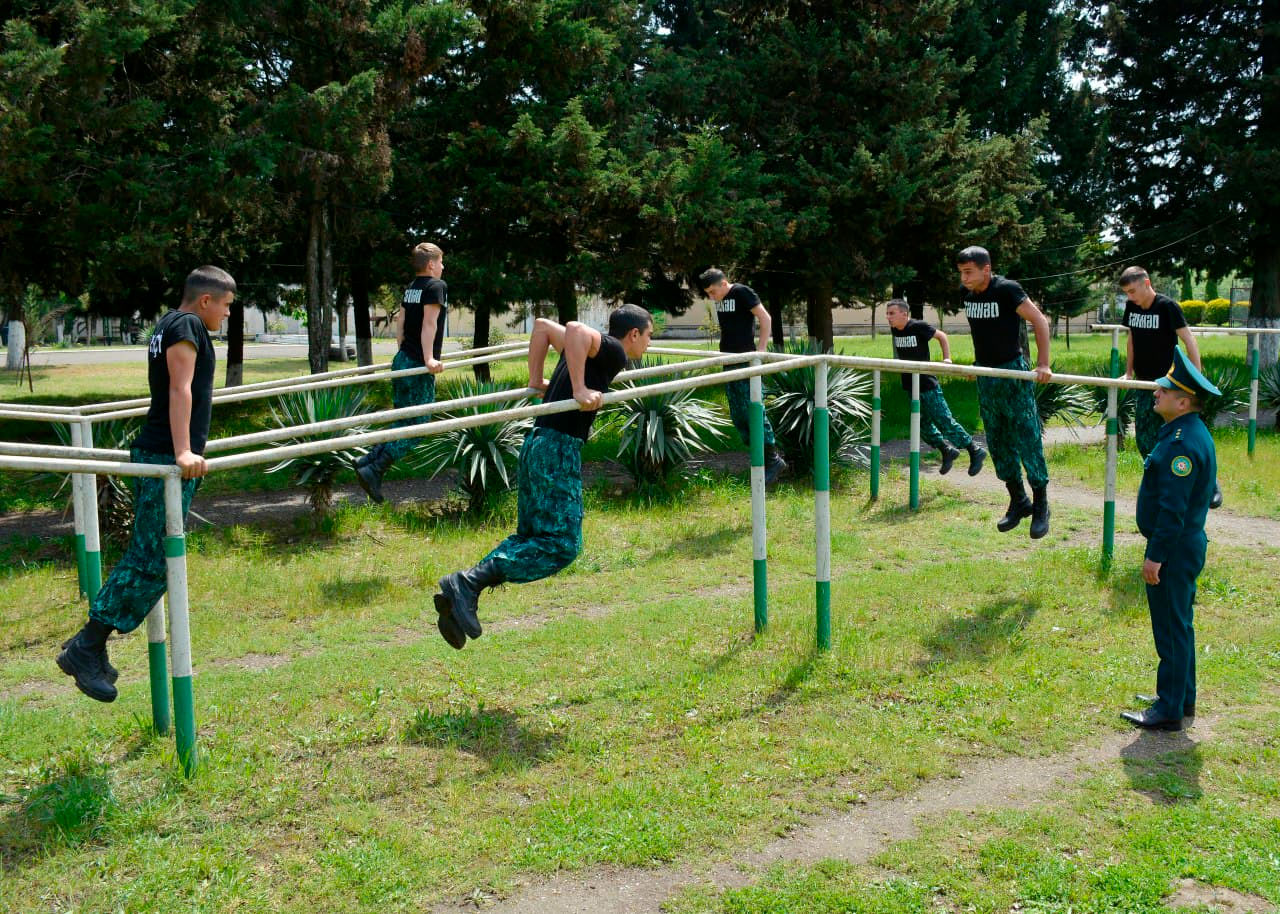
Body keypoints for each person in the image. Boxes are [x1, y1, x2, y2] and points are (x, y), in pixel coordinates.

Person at [57, 266, 235, 702]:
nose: (228, 315)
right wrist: (182, 452)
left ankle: (88, 645)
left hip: (160, 450)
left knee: (153, 557)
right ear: (206, 300)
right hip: (163, 453)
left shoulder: (168, 324)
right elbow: (180, 389)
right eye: (227, 306)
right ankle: (87, 644)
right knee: (152, 560)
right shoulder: (188, 325)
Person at [432, 305, 654, 648]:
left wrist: (537, 380)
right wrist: (579, 389)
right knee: (563, 545)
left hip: (536, 443)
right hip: (557, 450)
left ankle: (464, 592)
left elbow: (542, 327)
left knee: (532, 536)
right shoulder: (614, 351)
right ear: (634, 334)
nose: (649, 345)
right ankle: (468, 583)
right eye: (649, 335)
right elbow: (576, 328)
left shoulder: (595, 352)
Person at [1122, 347, 1219, 731]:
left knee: (1171, 627)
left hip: (1174, 549)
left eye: (1164, 390)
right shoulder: (1189, 432)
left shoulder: (1181, 443)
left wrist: (1155, 556)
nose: (1155, 393)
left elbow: (1173, 510)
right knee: (1180, 624)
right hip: (1183, 545)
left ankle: (1169, 710)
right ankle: (1181, 696)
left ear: (1183, 401)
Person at [956, 246, 1053, 538]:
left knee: (1026, 436)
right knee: (997, 439)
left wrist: (1043, 363)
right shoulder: (967, 296)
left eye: (969, 271)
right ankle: (1018, 500)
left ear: (987, 269)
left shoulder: (1007, 290)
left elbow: (1039, 321)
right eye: (961, 272)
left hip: (1013, 372)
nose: (964, 278)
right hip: (987, 375)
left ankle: (1041, 505)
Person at [1118, 266, 1222, 509]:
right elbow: (1132, 338)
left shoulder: (1167, 307)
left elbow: (1188, 339)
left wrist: (1194, 378)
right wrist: (1128, 372)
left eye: (1133, 291)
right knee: (1144, 437)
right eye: (1127, 293)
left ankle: (1210, 482)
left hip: (1170, 383)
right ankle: (1161, 480)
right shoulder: (1132, 307)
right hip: (1144, 381)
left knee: (1186, 434)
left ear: (1146, 283)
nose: (1130, 297)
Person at [355, 242, 447, 502]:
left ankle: (369, 459)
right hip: (418, 364)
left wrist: (401, 352)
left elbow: (401, 321)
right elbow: (430, 325)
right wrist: (428, 358)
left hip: (403, 359)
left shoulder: (412, 288)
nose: (442, 266)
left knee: (402, 421)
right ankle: (375, 468)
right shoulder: (436, 286)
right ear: (430, 264)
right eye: (440, 262)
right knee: (418, 425)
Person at [698, 269, 787, 484]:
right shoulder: (721, 298)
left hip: (745, 360)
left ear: (724, 283)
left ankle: (773, 458)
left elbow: (765, 318)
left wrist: (761, 350)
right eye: (708, 293)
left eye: (713, 291)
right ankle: (761, 455)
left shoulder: (741, 292)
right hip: (728, 360)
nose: (711, 297)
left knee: (753, 409)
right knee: (738, 414)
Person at [884, 299, 986, 476]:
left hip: (927, 384)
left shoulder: (918, 326)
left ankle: (974, 449)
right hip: (910, 384)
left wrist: (947, 358)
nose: (888, 317)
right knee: (922, 424)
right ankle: (946, 450)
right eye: (887, 314)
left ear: (904, 313)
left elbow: (942, 336)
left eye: (892, 313)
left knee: (943, 420)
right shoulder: (895, 330)